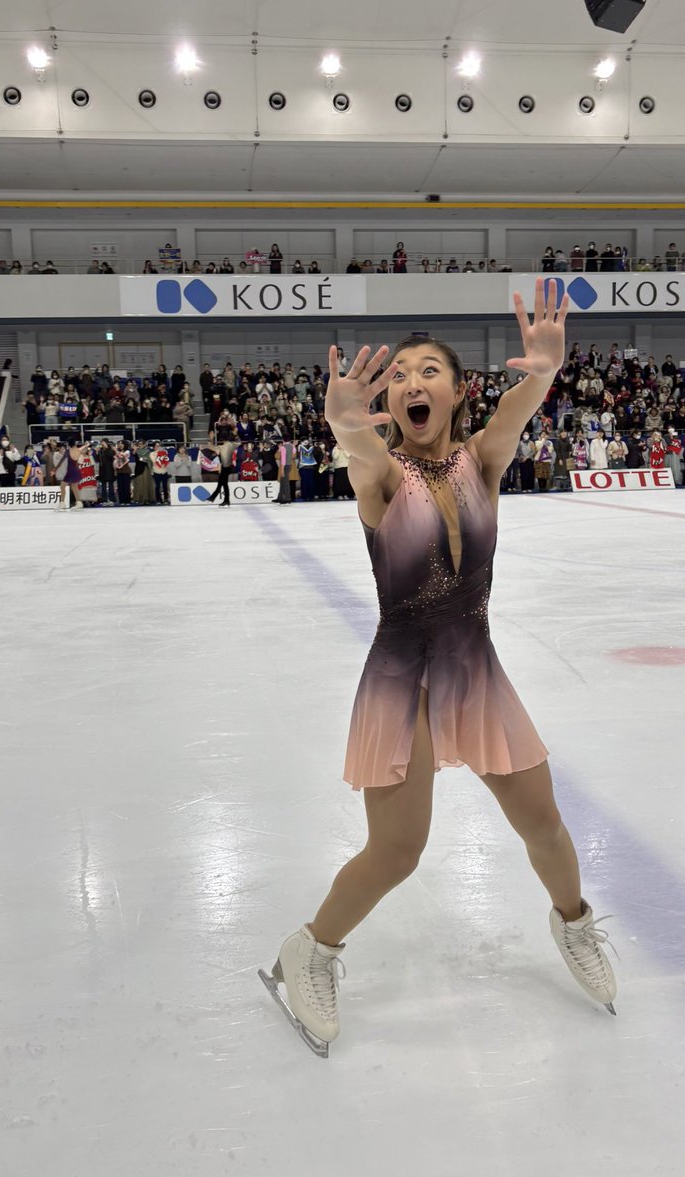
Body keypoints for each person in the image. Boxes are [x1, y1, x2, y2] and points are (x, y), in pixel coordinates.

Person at [260, 283, 618, 1056]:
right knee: (398, 849)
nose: (412, 382)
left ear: (458, 392)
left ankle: (576, 924)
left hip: (474, 667)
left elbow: (515, 416)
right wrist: (345, 422)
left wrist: (544, 373)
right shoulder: (382, 477)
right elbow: (358, 452)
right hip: (400, 677)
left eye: (430, 370)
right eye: (401, 374)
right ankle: (309, 950)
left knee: (544, 824)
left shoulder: (482, 460)